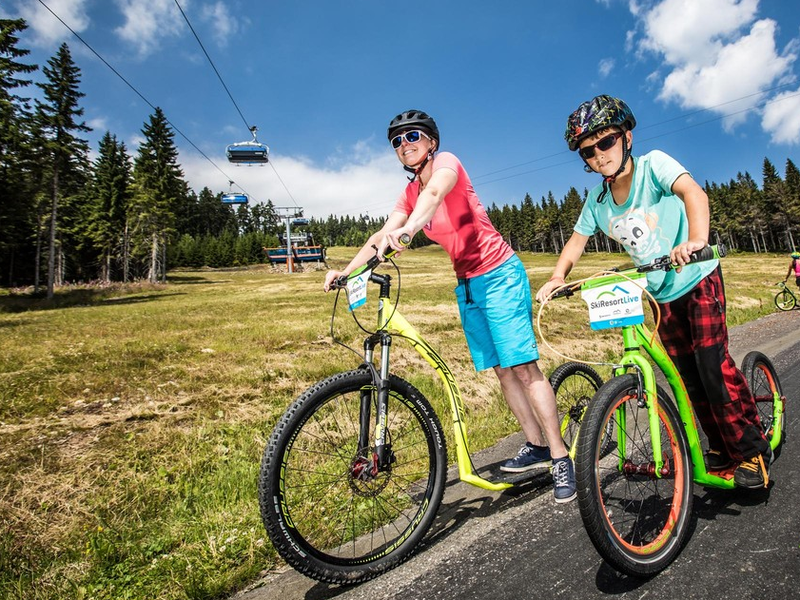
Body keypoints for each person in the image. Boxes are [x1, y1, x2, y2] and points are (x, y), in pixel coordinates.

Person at [323, 109, 576, 503]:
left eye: (412, 136)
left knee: (523, 368)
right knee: (501, 371)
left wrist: (410, 229)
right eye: (397, 141)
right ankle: (536, 446)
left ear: (431, 142)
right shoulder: (408, 194)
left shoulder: (447, 163)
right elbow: (383, 233)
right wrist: (347, 271)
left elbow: (435, 194)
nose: (404, 145)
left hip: (500, 273)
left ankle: (560, 457)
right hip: (468, 284)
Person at [535, 95, 771, 488]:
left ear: (626, 137)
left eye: (605, 142)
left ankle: (751, 452)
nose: (598, 154)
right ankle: (719, 446)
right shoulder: (597, 201)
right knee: (687, 377)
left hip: (697, 277)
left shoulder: (653, 166)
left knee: (712, 367)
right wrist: (559, 276)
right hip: (661, 294)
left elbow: (694, 193)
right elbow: (576, 241)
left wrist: (696, 241)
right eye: (588, 151)